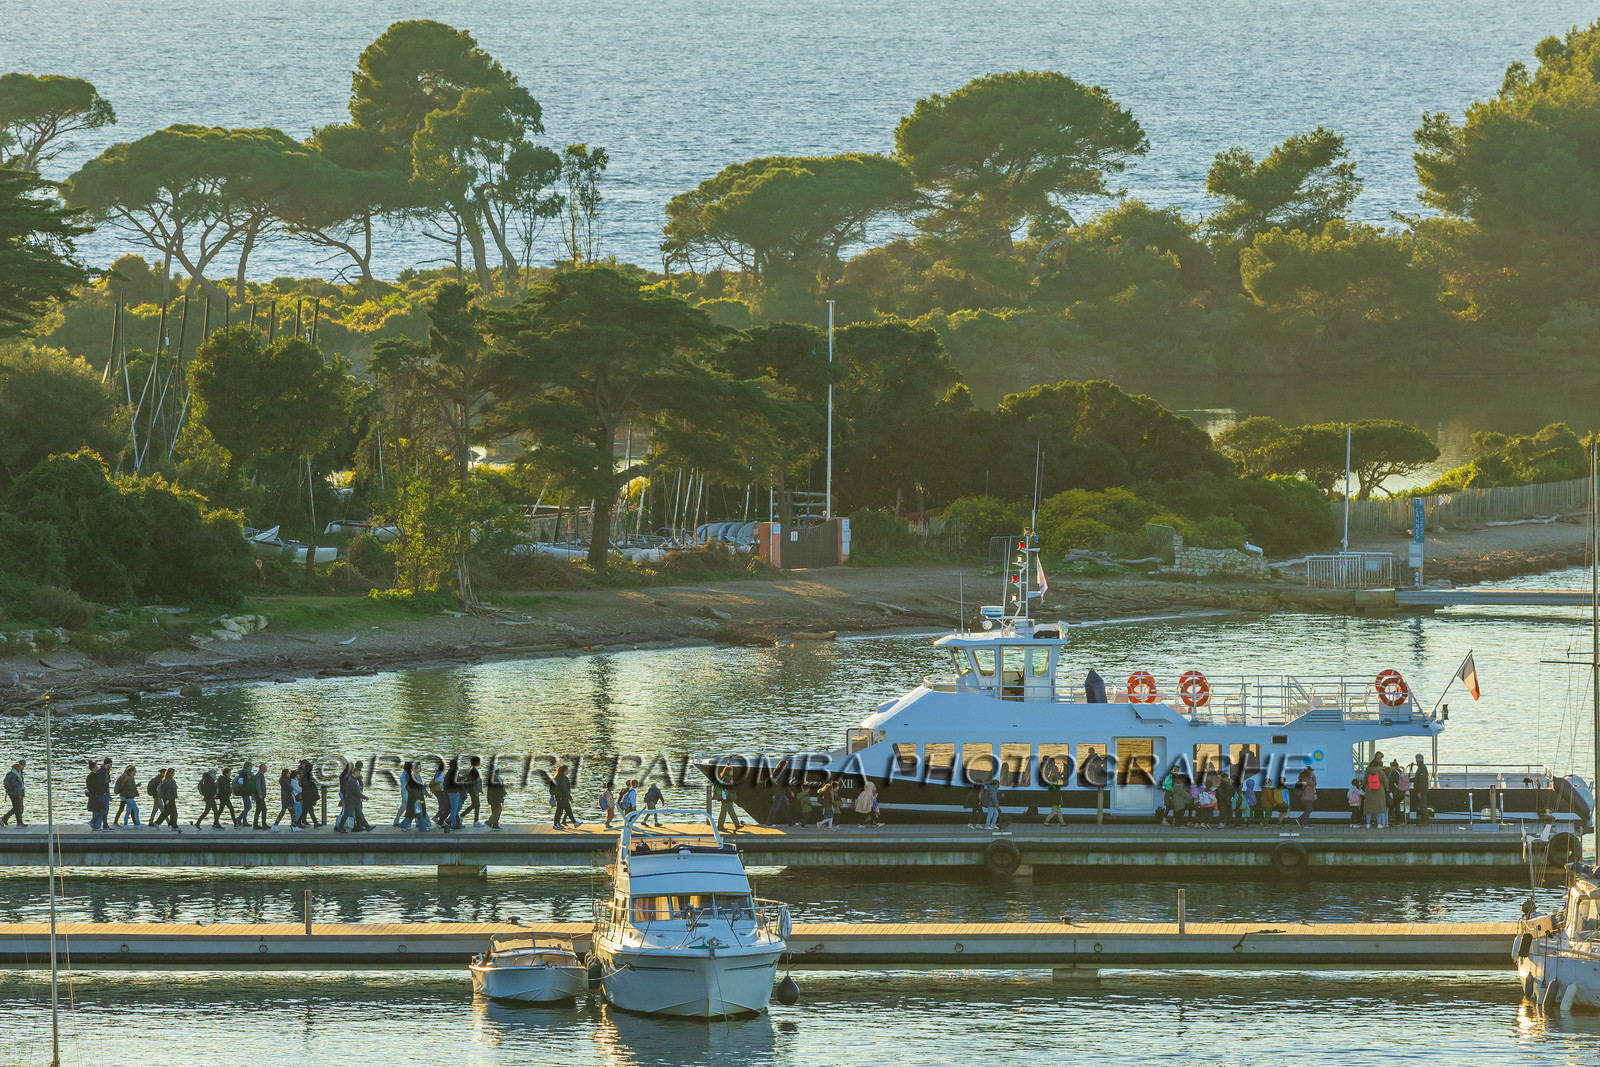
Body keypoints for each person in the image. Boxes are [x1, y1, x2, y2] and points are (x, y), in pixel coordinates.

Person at [398, 762, 432, 832]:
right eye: (419, 768)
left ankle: (422, 828)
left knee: (419, 814)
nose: (421, 769)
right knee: (416, 814)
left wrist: (426, 792)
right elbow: (410, 787)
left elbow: (420, 788)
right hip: (416, 799)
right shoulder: (413, 777)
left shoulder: (417, 777)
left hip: (419, 798)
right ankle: (404, 825)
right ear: (415, 769)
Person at [1363, 758, 1387, 829]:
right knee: (1379, 808)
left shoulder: (1367, 773)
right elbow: (1386, 783)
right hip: (1379, 792)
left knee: (1369, 808)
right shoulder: (1381, 773)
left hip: (1369, 791)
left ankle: (1368, 824)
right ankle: (1379, 824)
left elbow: (1364, 783)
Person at [461, 756, 483, 827]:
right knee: (477, 805)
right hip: (473, 790)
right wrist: (475, 792)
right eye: (479, 761)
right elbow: (472, 782)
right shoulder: (474, 770)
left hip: (474, 790)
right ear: (477, 762)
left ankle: (461, 816)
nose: (480, 763)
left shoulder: (473, 769)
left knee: (474, 804)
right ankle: (475, 821)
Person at [1410, 754, 1431, 824]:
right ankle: (1424, 819)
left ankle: (1425, 820)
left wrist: (1419, 791)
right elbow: (1417, 779)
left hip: (1422, 791)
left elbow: (1422, 781)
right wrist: (1409, 780)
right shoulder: (1421, 768)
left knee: (1423, 805)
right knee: (1422, 804)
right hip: (1422, 790)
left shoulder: (1422, 768)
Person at [1, 760, 23, 827]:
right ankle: (4, 818)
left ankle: (18, 822)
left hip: (13, 793)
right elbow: (13, 784)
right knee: (17, 807)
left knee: (17, 807)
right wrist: (19, 781)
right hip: (15, 793)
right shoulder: (14, 775)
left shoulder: (11, 774)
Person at [1043, 761, 1065, 825]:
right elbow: (1056, 795)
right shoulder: (1055, 787)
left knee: (1059, 812)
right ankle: (1046, 821)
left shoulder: (1052, 786)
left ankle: (1062, 822)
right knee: (1053, 812)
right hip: (1055, 802)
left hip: (1056, 802)